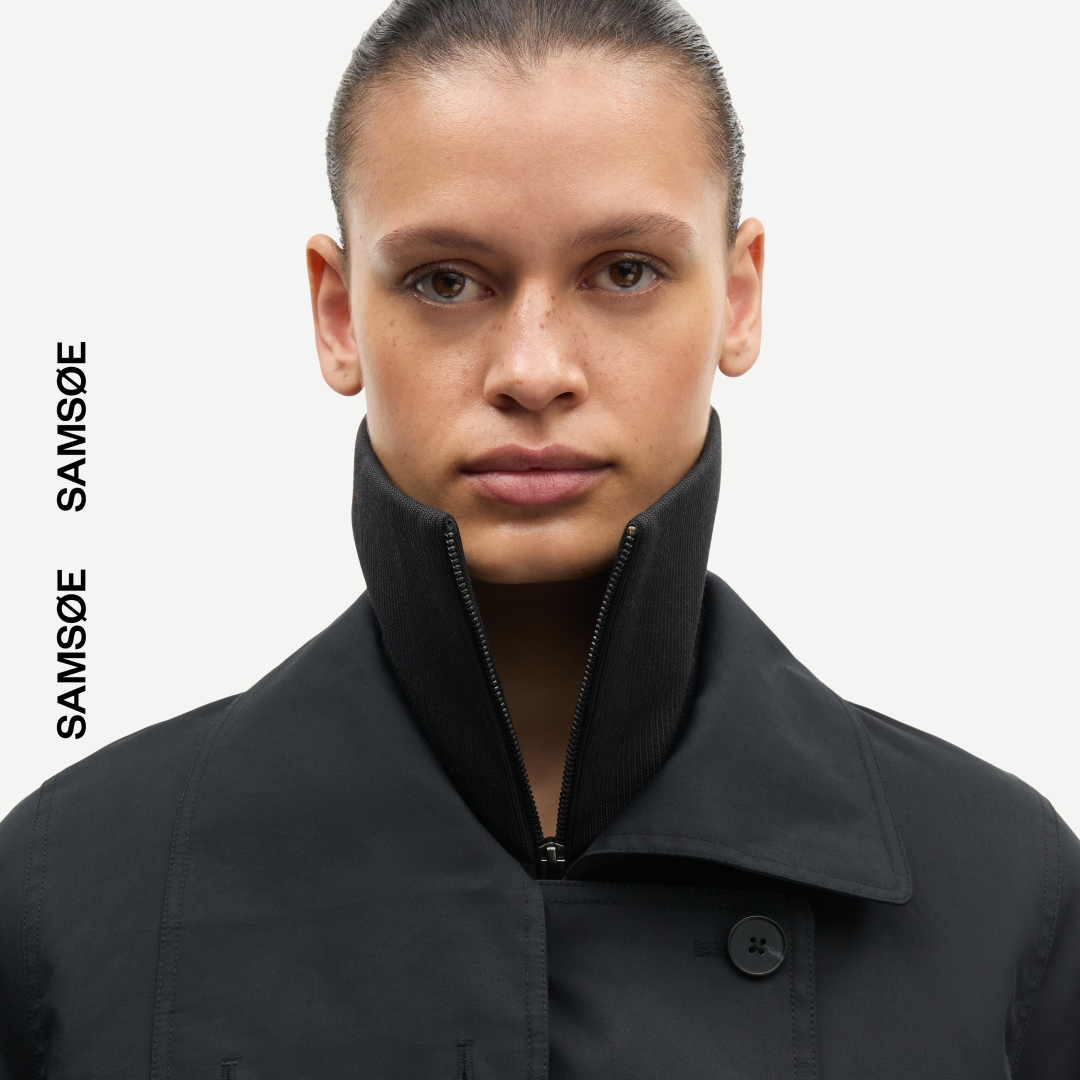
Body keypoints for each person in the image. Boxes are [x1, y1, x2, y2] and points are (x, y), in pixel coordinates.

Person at [1, 0, 1077, 1075]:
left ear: (740, 298)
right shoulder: (66, 896)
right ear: (336, 316)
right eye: (445, 281)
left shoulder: (1002, 895)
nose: (532, 370)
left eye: (624, 271)